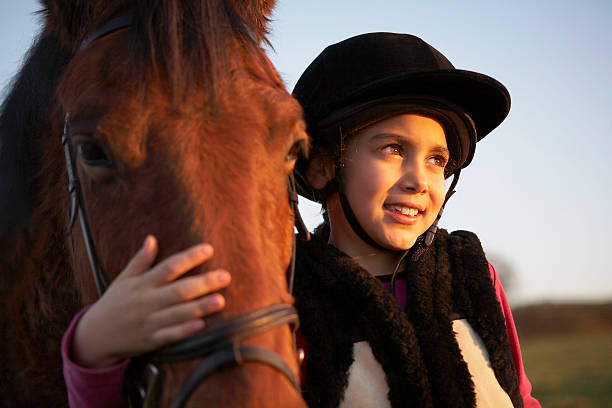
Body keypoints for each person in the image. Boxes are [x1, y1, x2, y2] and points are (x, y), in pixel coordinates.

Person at [62, 33, 541, 407]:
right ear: (321, 165)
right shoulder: (281, 293)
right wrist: (93, 349)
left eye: (438, 159)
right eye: (393, 149)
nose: (421, 179)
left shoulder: (474, 275)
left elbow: (519, 396)